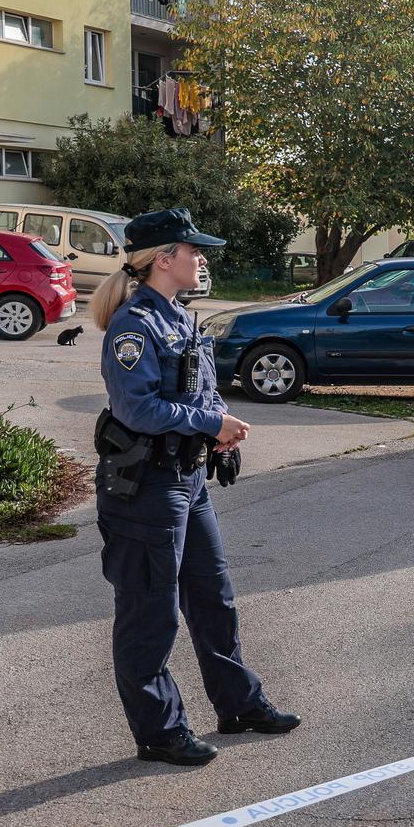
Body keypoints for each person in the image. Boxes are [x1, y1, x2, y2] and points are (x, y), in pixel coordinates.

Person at [90, 208, 299, 766]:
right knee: (150, 613)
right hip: (146, 488)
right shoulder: (135, 327)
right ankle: (159, 733)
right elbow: (136, 407)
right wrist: (209, 424)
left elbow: (195, 391)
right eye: (193, 250)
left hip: (186, 479)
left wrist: (219, 427)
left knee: (213, 598)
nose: (201, 259)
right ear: (163, 259)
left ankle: (239, 705)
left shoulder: (180, 318)